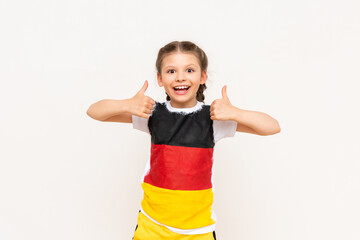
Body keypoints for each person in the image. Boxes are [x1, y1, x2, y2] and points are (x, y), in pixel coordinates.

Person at [86, 41, 281, 240]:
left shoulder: (213, 119)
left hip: (198, 232)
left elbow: (272, 127)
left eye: (189, 70)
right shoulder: (151, 113)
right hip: (152, 227)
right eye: (171, 71)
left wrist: (236, 113)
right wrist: (127, 105)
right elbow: (94, 112)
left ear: (202, 76)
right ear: (160, 79)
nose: (180, 77)